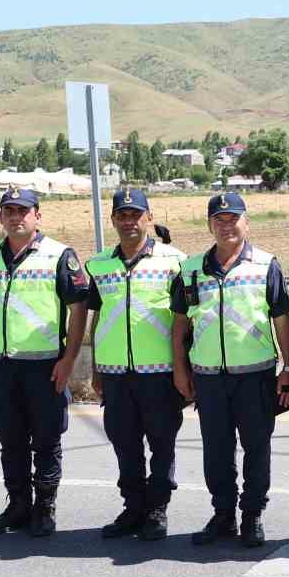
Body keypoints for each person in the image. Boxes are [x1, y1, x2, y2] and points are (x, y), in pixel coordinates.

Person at [171, 192, 289, 547]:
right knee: (216, 450)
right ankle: (223, 514)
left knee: (256, 448)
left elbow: (281, 320)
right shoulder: (191, 268)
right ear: (210, 224)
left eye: (233, 219)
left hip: (255, 375)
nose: (226, 226)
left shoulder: (265, 264)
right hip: (208, 377)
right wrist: (180, 370)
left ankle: (253, 515)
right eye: (219, 220)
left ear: (246, 222)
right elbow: (180, 324)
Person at [0, 187, 90, 537]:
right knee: (10, 439)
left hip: (44, 366)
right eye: (8, 210)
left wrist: (70, 359)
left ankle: (45, 508)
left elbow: (78, 308)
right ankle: (18, 506)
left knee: (47, 439)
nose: (15, 216)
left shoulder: (59, 255)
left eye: (22, 210)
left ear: (37, 215)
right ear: (0, 216)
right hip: (2, 365)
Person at [84, 187, 187, 542]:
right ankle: (133, 507)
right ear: (113, 220)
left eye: (135, 214)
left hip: (159, 372)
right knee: (124, 444)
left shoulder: (176, 262)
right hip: (115, 375)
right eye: (122, 215)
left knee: (162, 443)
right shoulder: (98, 265)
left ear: (150, 218)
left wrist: (182, 369)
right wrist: (96, 368)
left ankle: (157, 509)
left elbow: (183, 321)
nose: (129, 221)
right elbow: (97, 320)